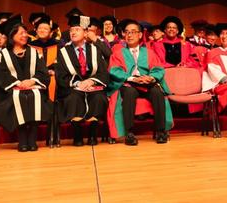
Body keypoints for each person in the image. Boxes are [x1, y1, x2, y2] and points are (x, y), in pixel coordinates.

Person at [0, 16, 52, 152]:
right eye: (21, 33)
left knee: (33, 96)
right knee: (21, 97)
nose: (25, 35)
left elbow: (43, 73)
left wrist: (31, 81)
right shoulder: (2, 55)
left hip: (34, 88)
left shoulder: (35, 53)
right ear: (12, 36)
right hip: (10, 92)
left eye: (25, 32)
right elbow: (1, 76)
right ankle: (22, 139)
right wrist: (18, 83)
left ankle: (32, 139)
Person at [107, 19, 172, 145]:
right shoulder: (118, 53)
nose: (129, 35)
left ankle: (160, 131)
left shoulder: (149, 52)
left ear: (140, 35)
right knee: (130, 92)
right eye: (127, 32)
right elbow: (114, 70)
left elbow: (158, 69)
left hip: (146, 83)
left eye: (133, 32)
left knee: (157, 92)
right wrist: (132, 78)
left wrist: (151, 77)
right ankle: (129, 133)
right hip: (128, 83)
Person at [55, 14, 109, 146]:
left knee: (99, 97)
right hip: (73, 87)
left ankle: (92, 133)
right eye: (71, 30)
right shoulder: (63, 52)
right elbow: (61, 75)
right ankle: (77, 134)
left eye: (77, 29)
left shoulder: (95, 50)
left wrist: (91, 81)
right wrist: (78, 83)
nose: (73, 32)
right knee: (73, 97)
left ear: (85, 33)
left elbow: (103, 72)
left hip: (93, 86)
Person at [28, 13, 61, 101]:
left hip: (55, 80)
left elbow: (63, 65)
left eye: (45, 29)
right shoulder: (30, 46)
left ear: (51, 32)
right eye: (39, 28)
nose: (42, 30)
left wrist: (55, 71)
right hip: (35, 79)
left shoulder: (59, 46)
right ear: (36, 31)